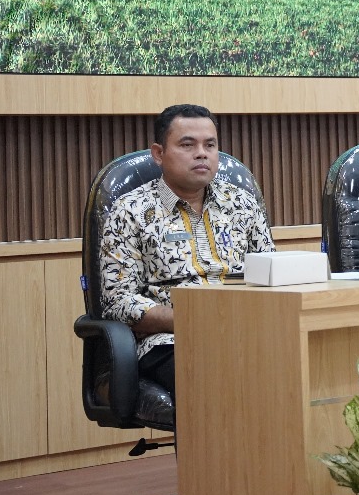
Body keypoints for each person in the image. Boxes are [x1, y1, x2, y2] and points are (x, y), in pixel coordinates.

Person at [99, 104, 274, 395]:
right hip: (172, 341)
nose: (202, 153)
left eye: (210, 145)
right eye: (187, 144)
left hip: (245, 332)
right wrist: (195, 317)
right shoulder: (130, 211)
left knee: (294, 365)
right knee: (219, 380)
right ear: (159, 154)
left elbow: (269, 274)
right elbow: (118, 302)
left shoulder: (242, 204)